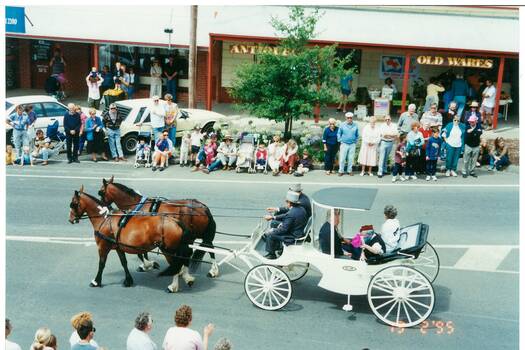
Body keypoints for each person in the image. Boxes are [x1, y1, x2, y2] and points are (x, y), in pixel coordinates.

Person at [263, 191, 308, 259]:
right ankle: (277, 246)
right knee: (275, 226)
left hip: (293, 235)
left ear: (289, 203)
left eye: (286, 202)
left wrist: (273, 230)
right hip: (298, 230)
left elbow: (283, 229)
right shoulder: (300, 208)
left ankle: (271, 254)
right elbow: (286, 215)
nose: (286, 203)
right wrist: (273, 217)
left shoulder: (291, 213)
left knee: (271, 235)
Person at [337, 112, 359, 176]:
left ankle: (349, 171)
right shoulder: (342, 124)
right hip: (344, 144)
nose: (349, 119)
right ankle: (341, 171)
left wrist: (355, 141)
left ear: (352, 118)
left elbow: (357, 134)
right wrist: (340, 140)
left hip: (352, 144)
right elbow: (339, 133)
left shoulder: (355, 125)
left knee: (351, 158)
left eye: (351, 118)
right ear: (346, 118)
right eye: (348, 118)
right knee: (342, 158)